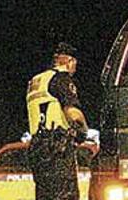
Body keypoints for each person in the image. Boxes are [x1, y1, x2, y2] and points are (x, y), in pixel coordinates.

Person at [26, 42, 91, 200]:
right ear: (70, 61)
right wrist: (83, 132)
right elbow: (74, 114)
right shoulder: (61, 79)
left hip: (37, 150)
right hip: (58, 149)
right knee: (65, 195)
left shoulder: (35, 81)